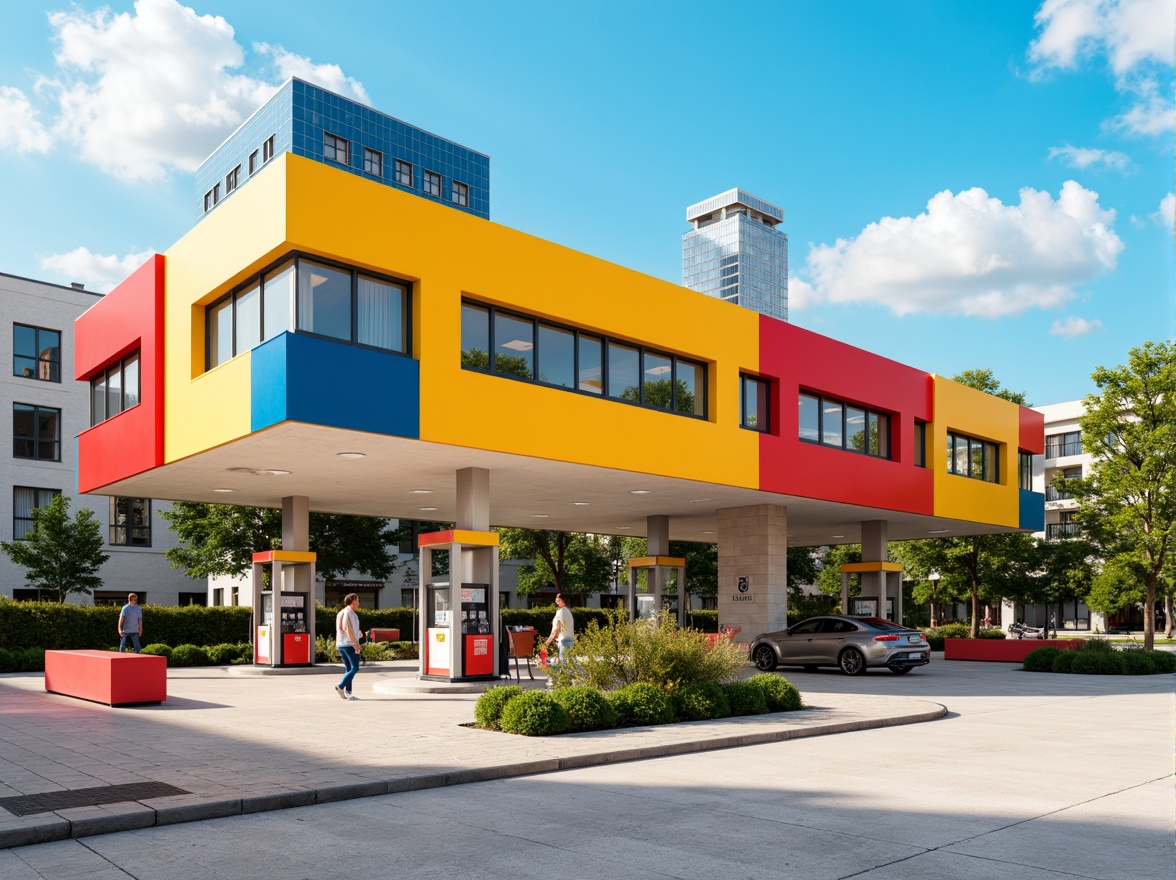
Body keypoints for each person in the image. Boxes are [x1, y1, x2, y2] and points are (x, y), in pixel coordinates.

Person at [334, 593, 363, 701]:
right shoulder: (349, 612)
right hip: (349, 644)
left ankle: (348, 693)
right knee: (355, 668)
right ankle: (340, 686)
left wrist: (358, 631)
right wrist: (355, 644)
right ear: (352, 600)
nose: (358, 602)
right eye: (357, 600)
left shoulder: (343, 612)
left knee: (349, 669)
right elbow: (347, 628)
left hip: (341, 644)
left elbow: (344, 627)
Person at [544, 593, 574, 665]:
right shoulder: (568, 611)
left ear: (563, 601)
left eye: (559, 601)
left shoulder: (560, 612)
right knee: (569, 663)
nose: (557, 603)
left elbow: (556, 629)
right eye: (557, 601)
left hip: (563, 640)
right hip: (571, 639)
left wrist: (548, 641)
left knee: (563, 664)